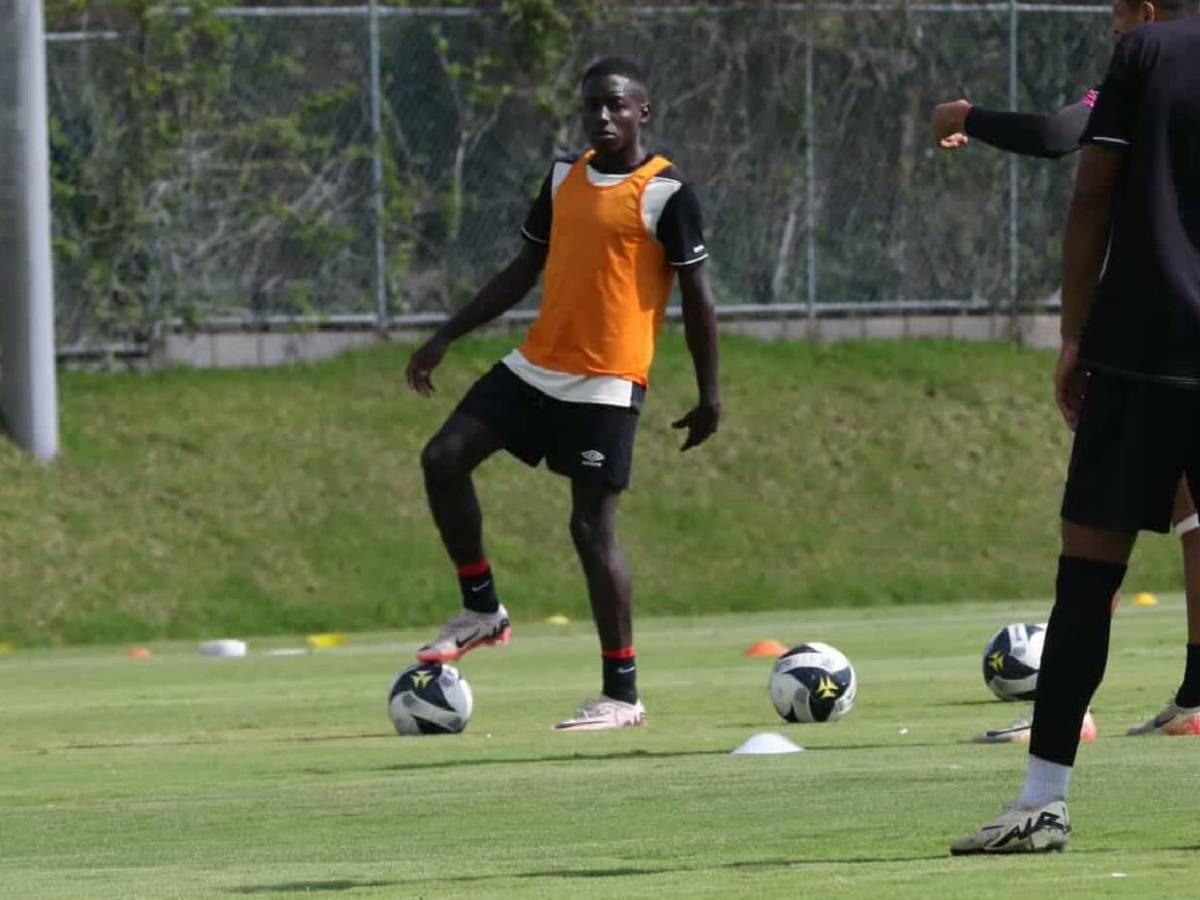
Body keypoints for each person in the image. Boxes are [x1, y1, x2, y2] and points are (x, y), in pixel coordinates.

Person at [405, 57, 721, 731]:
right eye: (592, 108)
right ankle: (483, 610)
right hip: (538, 366)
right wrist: (446, 335)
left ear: (643, 112)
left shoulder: (667, 194)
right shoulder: (562, 177)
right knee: (442, 458)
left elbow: (697, 300)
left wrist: (710, 393)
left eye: (616, 106)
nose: (602, 117)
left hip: (607, 381)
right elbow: (522, 270)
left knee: (589, 529)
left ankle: (622, 694)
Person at [951, 6, 1200, 853]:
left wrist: (1074, 334)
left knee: (1088, 577)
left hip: (1142, 350)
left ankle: (1041, 803)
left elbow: (1092, 188)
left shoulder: (1144, 50)